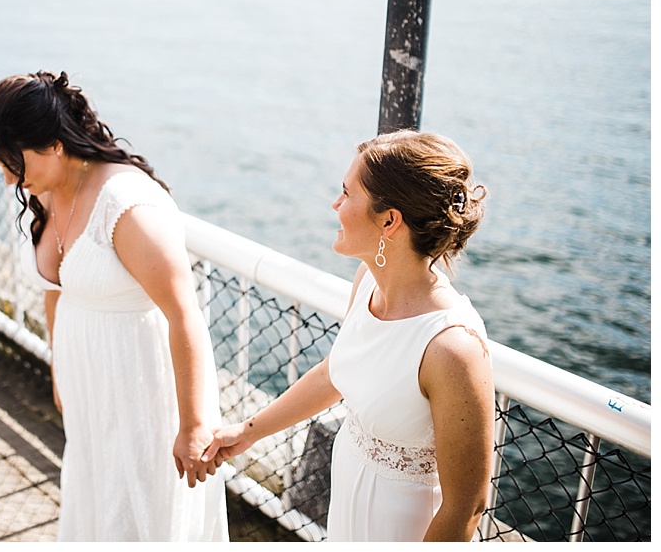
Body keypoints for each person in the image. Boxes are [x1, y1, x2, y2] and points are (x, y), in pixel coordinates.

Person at [201, 129, 495, 542]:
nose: (335, 205)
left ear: (389, 221)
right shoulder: (367, 283)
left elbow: (466, 507)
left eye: (346, 193)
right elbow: (334, 373)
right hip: (344, 521)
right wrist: (247, 432)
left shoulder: (452, 347)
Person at [0, 70, 228, 542]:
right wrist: (59, 371)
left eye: (14, 164)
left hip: (141, 390)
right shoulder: (49, 191)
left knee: (140, 514)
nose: (10, 179)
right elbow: (56, 290)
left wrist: (194, 425)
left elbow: (183, 313)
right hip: (90, 386)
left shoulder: (127, 206)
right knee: (97, 505)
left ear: (52, 144)